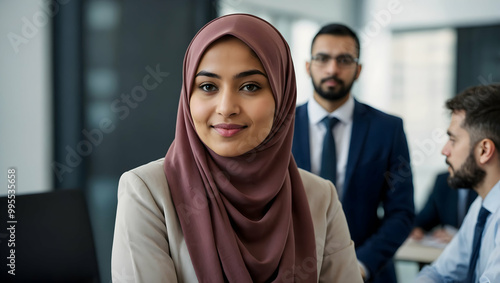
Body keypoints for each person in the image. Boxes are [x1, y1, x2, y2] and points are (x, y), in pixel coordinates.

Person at [111, 14, 363, 283]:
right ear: (187, 97)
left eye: (250, 86)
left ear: (283, 95)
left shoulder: (320, 197)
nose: (226, 107)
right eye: (208, 86)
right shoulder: (147, 192)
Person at [292, 23, 415, 282]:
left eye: (344, 60)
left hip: (367, 273)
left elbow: (401, 213)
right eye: (322, 58)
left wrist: (359, 265)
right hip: (292, 270)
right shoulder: (280, 127)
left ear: (358, 70)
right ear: (307, 66)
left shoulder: (388, 129)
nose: (332, 69)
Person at [415, 84, 500, 282]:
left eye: (453, 140)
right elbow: (438, 273)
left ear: (484, 150)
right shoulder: (481, 207)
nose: (445, 150)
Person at [410, 171, 477, 244]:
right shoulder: (444, 180)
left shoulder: (483, 181)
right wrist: (417, 228)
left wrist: (458, 237)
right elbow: (427, 215)